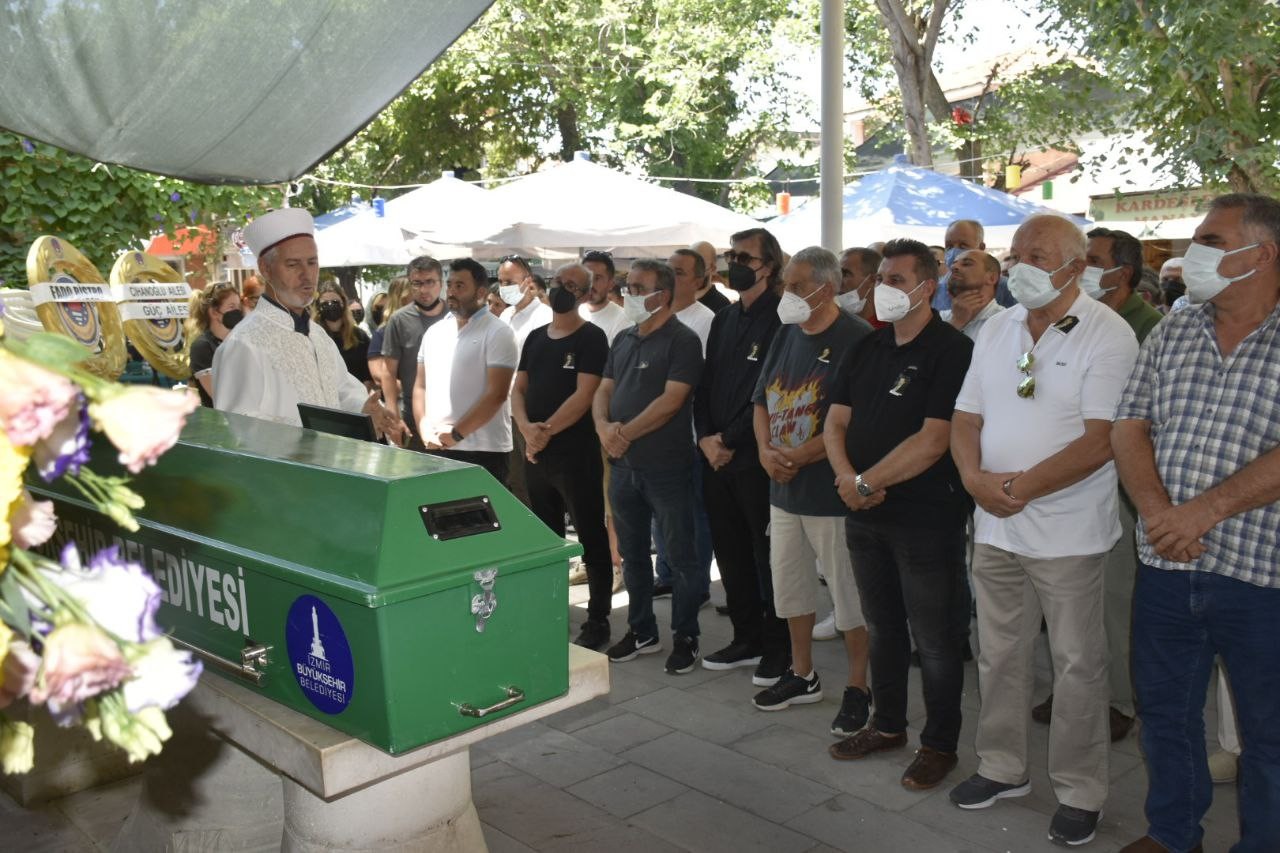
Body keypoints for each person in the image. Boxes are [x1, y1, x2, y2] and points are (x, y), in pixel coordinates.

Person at [948, 213, 1138, 847]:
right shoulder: (998, 327)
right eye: (1017, 253)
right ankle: (1002, 768)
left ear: (1074, 266)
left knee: (1078, 665)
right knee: (998, 654)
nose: (1022, 263)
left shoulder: (1106, 334)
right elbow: (965, 417)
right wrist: (976, 481)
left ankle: (1081, 790)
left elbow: (1100, 441)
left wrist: (1018, 489)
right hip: (996, 527)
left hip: (1068, 533)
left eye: (1038, 254)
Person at [1111, 193, 1280, 853]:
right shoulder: (1176, 326)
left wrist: (1203, 510)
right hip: (1167, 565)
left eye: (1211, 239)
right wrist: (1158, 514)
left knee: (1269, 736)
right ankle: (1173, 833)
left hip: (1262, 575)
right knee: (1167, 717)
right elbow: (1130, 424)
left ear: (1261, 253)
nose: (1196, 252)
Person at [824, 238, 974, 791]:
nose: (881, 287)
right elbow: (835, 422)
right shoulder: (866, 346)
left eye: (895, 278)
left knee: (934, 638)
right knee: (883, 628)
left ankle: (939, 744)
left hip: (925, 516)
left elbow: (934, 439)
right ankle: (887, 726)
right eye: (880, 277)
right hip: (863, 512)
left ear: (926, 288)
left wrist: (865, 481)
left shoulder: (951, 350)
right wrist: (847, 480)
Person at [1030, 227, 1164, 742]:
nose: (1081, 267)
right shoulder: (1072, 318)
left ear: (1121, 273)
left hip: (1122, 484)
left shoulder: (1142, 326)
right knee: (1074, 605)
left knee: (1112, 599)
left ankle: (1116, 700)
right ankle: (1079, 688)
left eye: (1092, 259)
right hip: (1068, 481)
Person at [749, 247, 874, 739]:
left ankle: (860, 687)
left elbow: (854, 420)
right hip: (783, 492)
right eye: (787, 284)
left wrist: (799, 458)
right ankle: (802, 674)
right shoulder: (785, 333)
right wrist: (764, 451)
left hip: (830, 494)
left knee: (848, 598)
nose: (788, 294)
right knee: (792, 587)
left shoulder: (856, 340)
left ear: (828, 287)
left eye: (798, 285)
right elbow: (761, 400)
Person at [593, 259, 704, 675]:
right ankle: (641, 630)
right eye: (628, 286)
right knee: (632, 554)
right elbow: (603, 389)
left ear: (663, 294)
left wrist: (624, 433)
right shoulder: (623, 338)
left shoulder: (683, 341)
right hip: (623, 468)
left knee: (681, 557)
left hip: (667, 468)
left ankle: (686, 634)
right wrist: (604, 428)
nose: (629, 294)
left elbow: (672, 400)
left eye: (639, 288)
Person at [212, 208, 401, 438]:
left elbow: (343, 390)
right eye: (293, 264)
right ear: (265, 268)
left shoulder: (317, 335)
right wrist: (315, 434)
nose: (307, 275)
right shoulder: (243, 344)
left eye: (312, 263)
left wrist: (366, 410)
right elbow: (238, 429)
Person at [694, 233, 788, 683]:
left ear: (768, 266)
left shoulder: (782, 319)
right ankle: (746, 636)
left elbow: (766, 393)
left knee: (767, 555)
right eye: (731, 256)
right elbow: (706, 384)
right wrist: (705, 440)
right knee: (729, 553)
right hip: (716, 457)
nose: (734, 265)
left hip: (754, 457)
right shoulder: (724, 318)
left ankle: (779, 645)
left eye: (743, 258)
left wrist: (727, 439)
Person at [512, 263, 613, 649]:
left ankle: (598, 618)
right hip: (537, 456)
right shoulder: (536, 337)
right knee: (545, 538)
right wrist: (526, 430)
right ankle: (550, 610)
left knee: (590, 537)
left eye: (572, 286)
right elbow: (517, 390)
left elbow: (584, 395)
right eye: (559, 283)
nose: (562, 290)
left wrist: (543, 432)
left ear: (586, 294)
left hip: (575, 455)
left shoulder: (592, 338)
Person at [413, 258, 518, 485]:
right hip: (437, 447)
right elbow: (421, 386)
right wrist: (423, 428)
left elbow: (497, 394)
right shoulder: (434, 332)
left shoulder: (499, 332)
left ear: (480, 292)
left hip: (483, 451)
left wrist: (457, 434)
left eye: (460, 286)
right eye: (449, 285)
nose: (451, 292)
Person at [381, 257, 446, 449]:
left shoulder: (456, 315)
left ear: (440, 283)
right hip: (413, 413)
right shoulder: (399, 320)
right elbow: (388, 371)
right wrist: (393, 412)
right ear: (410, 284)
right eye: (417, 283)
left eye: (430, 282)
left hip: (451, 414)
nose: (424, 290)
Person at [1082, 227, 1164, 342]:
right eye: (1081, 259)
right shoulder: (1076, 313)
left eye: (1094, 261)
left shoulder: (1152, 325)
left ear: (1124, 274)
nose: (1081, 267)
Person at [186, 282, 243, 407]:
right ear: (214, 312)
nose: (237, 312)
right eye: (231, 307)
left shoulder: (240, 343)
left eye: (239, 306)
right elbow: (220, 396)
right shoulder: (202, 347)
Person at [313, 281, 372, 387]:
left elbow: (368, 375)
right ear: (318, 307)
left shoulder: (359, 336)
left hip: (357, 398)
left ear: (343, 303)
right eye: (325, 303)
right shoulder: (312, 336)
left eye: (335, 301)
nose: (330, 305)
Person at [941, 250, 1004, 341]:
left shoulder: (1007, 321)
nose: (954, 266)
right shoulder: (940, 317)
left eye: (966, 264)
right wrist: (955, 322)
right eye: (953, 264)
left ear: (992, 278)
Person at [498, 255, 553, 352]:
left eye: (509, 282)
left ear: (528, 281)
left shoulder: (545, 316)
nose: (503, 287)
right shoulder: (505, 314)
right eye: (500, 282)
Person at [580, 250, 632, 344]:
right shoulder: (571, 314)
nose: (590, 284)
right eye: (586, 277)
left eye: (597, 278)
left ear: (611, 283)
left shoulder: (623, 321)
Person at [837, 247, 881, 328]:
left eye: (845, 274)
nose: (838, 282)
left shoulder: (891, 329)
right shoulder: (830, 324)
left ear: (872, 280)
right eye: (837, 274)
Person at [690, 240, 732, 312]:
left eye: (699, 264)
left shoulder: (722, 306)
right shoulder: (679, 301)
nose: (692, 269)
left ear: (713, 269)